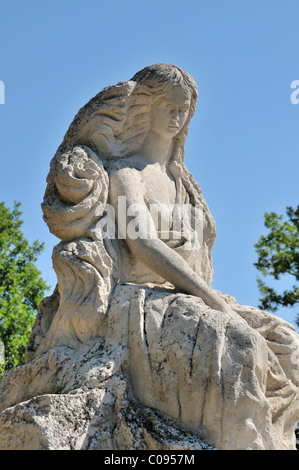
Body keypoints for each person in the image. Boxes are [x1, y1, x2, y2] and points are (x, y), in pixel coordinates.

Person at [35, 64, 299, 450]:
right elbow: (142, 244)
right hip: (139, 302)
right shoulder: (126, 173)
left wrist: (208, 296)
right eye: (169, 108)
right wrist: (207, 297)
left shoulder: (182, 183)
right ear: (146, 109)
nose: (177, 117)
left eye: (184, 110)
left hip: (191, 295)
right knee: (238, 342)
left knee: (287, 343)